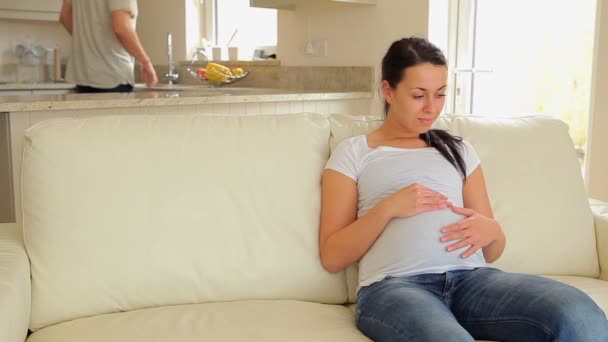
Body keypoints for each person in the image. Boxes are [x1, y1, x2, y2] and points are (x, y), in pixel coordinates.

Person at [320, 37, 608, 341]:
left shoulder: (459, 150)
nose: (431, 108)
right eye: (418, 95)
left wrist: (493, 231)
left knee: (579, 311)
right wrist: (388, 208)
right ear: (388, 90)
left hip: (474, 281)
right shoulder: (354, 152)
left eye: (440, 94)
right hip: (395, 288)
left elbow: (492, 250)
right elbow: (332, 256)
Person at [58, 0, 158, 93]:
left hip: (82, 75)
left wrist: (88, 41)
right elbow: (121, 28)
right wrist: (145, 62)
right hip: (111, 76)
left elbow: (65, 16)